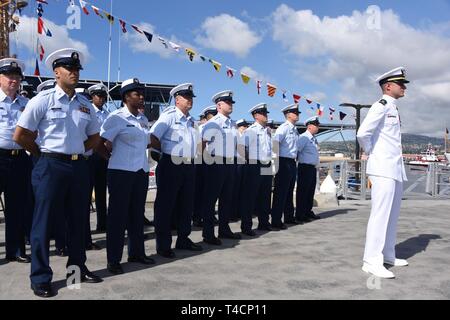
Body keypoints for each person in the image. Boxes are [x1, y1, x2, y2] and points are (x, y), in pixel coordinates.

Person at [14, 48, 103, 298]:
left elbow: (95, 137)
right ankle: (40, 278)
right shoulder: (43, 100)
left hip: (78, 166)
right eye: (69, 69)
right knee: (43, 223)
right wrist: (43, 155)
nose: (74, 73)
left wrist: (76, 151)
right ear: (56, 72)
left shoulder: (86, 105)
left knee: (78, 221)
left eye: (76, 69)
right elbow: (20, 135)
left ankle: (77, 269)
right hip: (50, 165)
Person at [97, 78, 155, 275]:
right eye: (137, 94)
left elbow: (146, 144)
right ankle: (113, 260)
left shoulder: (143, 120)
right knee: (117, 218)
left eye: (142, 94)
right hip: (120, 173)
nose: (141, 98)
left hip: (140, 172)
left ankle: (136, 253)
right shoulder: (116, 118)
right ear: (126, 97)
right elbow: (100, 142)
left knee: (137, 216)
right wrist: (111, 159)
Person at [357, 67, 410, 279]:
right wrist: (372, 152)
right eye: (401, 84)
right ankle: (371, 261)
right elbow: (363, 133)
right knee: (380, 215)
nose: (404, 87)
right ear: (388, 86)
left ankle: (388, 254)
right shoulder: (380, 106)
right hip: (382, 168)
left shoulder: (393, 108)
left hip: (394, 169)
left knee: (392, 215)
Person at [150, 83, 203, 258]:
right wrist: (163, 154)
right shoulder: (169, 116)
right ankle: (163, 244)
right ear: (177, 99)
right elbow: (153, 136)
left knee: (186, 205)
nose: (190, 101)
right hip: (171, 164)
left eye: (191, 98)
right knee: (166, 205)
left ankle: (183, 238)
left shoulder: (191, 121)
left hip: (189, 165)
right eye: (186, 97)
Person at [0, 58, 32, 263]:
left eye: (16, 77)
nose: (13, 80)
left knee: (18, 206)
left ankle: (16, 249)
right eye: (8, 76)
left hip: (19, 158)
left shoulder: (26, 104)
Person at [201, 90, 242, 245]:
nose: (231, 105)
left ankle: (224, 229)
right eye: (228, 102)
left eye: (231, 102)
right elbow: (203, 144)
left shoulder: (232, 124)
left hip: (230, 163)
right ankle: (208, 233)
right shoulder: (213, 123)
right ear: (219, 105)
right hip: (215, 162)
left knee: (227, 199)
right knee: (210, 200)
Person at [238, 103, 273, 236]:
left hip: (266, 164)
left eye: (266, 113)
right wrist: (249, 160)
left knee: (265, 195)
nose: (266, 116)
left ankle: (264, 222)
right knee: (250, 196)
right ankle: (246, 227)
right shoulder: (251, 131)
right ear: (256, 116)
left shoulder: (267, 131)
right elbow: (241, 147)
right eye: (263, 114)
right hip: (254, 165)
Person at [271, 104, 300, 229]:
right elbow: (275, 143)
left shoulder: (295, 129)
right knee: (280, 192)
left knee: (289, 192)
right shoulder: (284, 128)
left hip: (292, 162)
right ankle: (276, 220)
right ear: (288, 114)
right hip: (283, 162)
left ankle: (289, 217)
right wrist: (275, 162)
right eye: (295, 112)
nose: (297, 114)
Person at [86, 83, 109, 234]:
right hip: (89, 154)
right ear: (92, 97)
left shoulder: (107, 114)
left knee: (101, 192)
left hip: (103, 155)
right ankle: (84, 228)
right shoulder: (87, 111)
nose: (101, 99)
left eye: (103, 97)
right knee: (86, 193)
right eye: (98, 96)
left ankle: (102, 223)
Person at [193, 105, 217, 228]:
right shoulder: (202, 127)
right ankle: (197, 216)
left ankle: (208, 215)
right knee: (200, 190)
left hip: (211, 161)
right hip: (202, 160)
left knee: (209, 191)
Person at [295, 116, 321, 224]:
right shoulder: (303, 137)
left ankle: (307, 211)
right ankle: (300, 214)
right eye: (316, 125)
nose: (318, 127)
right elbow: (296, 150)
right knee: (303, 192)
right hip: (304, 167)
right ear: (309, 126)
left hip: (312, 168)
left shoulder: (313, 139)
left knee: (310, 191)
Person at [229, 119, 249, 222]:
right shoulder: (235, 135)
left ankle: (238, 211)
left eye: (246, 127)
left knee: (241, 189)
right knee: (234, 189)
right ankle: (232, 213)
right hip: (235, 162)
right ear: (239, 127)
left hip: (243, 162)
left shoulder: (244, 137)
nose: (245, 129)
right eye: (243, 127)